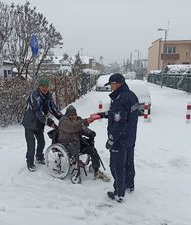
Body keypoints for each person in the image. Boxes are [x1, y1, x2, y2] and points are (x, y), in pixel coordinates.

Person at [97, 73, 139, 203]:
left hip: (120, 140)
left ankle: (119, 193)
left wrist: (111, 140)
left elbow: (119, 123)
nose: (110, 87)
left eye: (112, 85)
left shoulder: (120, 100)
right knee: (128, 162)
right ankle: (129, 185)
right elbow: (121, 114)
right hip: (130, 137)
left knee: (116, 166)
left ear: (118, 84)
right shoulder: (132, 96)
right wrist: (103, 114)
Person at [58, 105, 110, 182]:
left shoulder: (77, 120)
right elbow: (72, 127)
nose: (73, 117)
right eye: (71, 115)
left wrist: (90, 133)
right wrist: (85, 121)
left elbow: (83, 128)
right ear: (67, 115)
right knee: (84, 147)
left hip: (78, 143)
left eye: (74, 115)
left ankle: (96, 170)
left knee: (92, 150)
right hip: (68, 145)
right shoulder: (64, 122)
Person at [22, 75, 62, 172]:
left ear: (48, 87)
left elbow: (53, 109)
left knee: (42, 142)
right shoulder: (34, 96)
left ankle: (39, 157)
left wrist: (63, 118)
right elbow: (39, 113)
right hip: (30, 123)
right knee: (31, 144)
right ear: (39, 86)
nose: (44, 88)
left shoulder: (48, 96)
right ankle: (30, 162)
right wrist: (51, 123)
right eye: (42, 86)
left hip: (39, 124)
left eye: (46, 86)